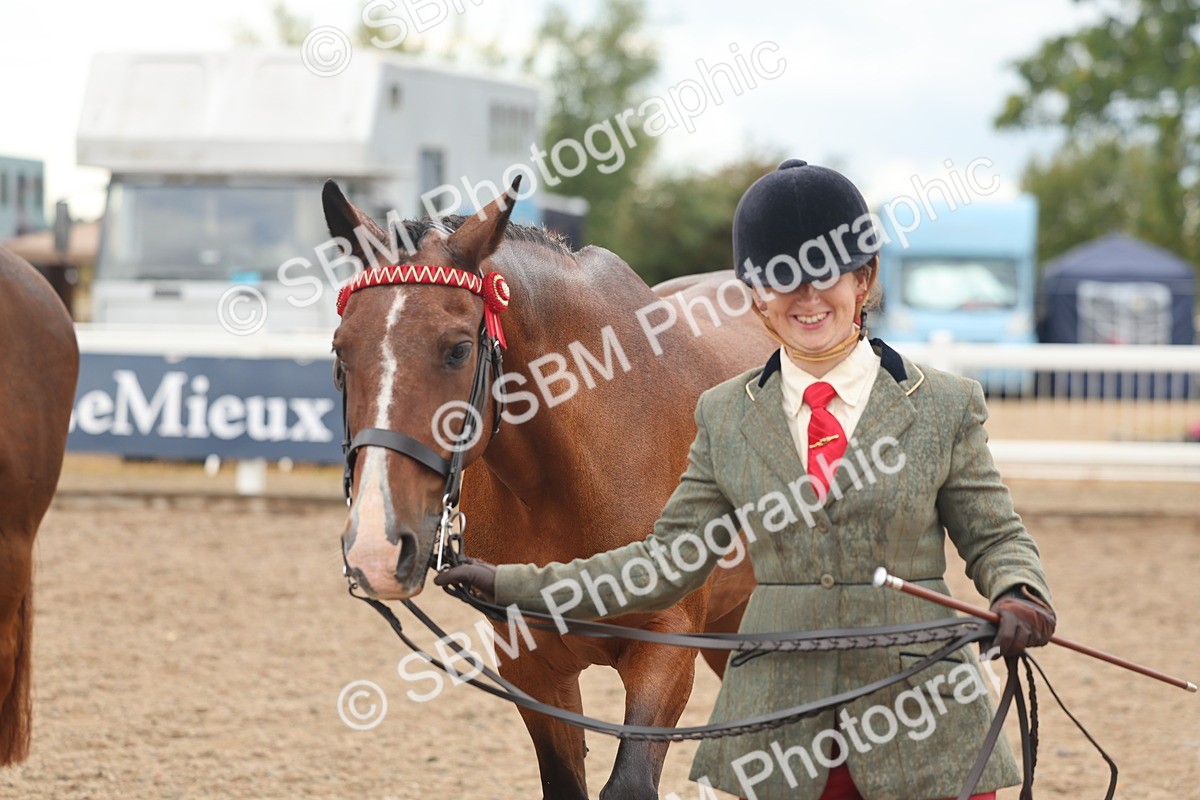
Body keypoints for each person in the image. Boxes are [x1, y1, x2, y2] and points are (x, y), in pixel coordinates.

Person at [436, 159, 1056, 800]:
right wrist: (506, 581)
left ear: (864, 281)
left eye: (827, 277)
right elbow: (661, 567)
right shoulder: (723, 414)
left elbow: (994, 533)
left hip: (918, 717)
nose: (807, 299)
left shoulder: (944, 406)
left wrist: (1019, 592)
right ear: (756, 297)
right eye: (783, 281)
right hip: (781, 741)